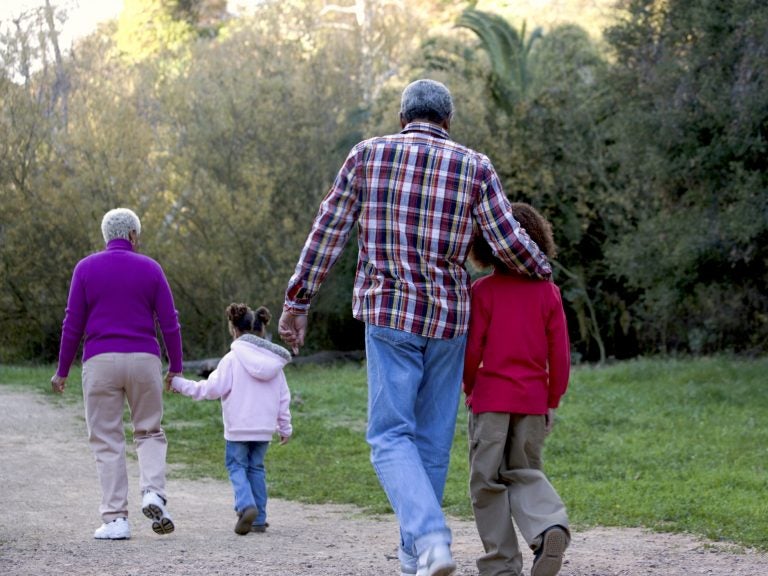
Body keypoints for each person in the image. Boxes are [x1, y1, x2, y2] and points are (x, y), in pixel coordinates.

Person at [278, 79, 552, 576]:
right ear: (447, 122)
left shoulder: (366, 155)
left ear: (403, 117)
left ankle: (428, 538)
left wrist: (298, 300)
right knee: (429, 440)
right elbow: (508, 240)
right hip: (449, 319)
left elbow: (329, 229)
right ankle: (416, 559)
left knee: (389, 438)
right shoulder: (475, 165)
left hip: (388, 315)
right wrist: (544, 269)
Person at [51, 207, 183, 540]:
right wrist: (176, 367)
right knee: (149, 431)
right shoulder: (151, 269)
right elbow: (169, 322)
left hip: (99, 362)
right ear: (133, 236)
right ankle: (153, 493)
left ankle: (115, 520)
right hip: (143, 360)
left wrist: (62, 369)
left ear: (107, 236)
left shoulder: (85, 268)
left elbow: (72, 324)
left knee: (107, 439)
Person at [463, 203, 571, 576]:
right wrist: (551, 401)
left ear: (487, 244)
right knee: (525, 472)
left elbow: (472, 348)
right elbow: (560, 356)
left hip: (491, 401)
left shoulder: (483, 291)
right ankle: (547, 528)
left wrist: (467, 386)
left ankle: (501, 565)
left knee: (487, 482)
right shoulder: (548, 293)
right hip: (532, 401)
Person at [169, 303, 292, 535]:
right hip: (264, 429)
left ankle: (246, 506)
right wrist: (284, 427)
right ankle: (259, 519)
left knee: (236, 466)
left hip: (238, 428)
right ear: (261, 330)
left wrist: (178, 383)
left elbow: (209, 390)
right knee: (256, 468)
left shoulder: (231, 359)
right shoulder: (275, 364)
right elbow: (283, 398)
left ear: (234, 329)